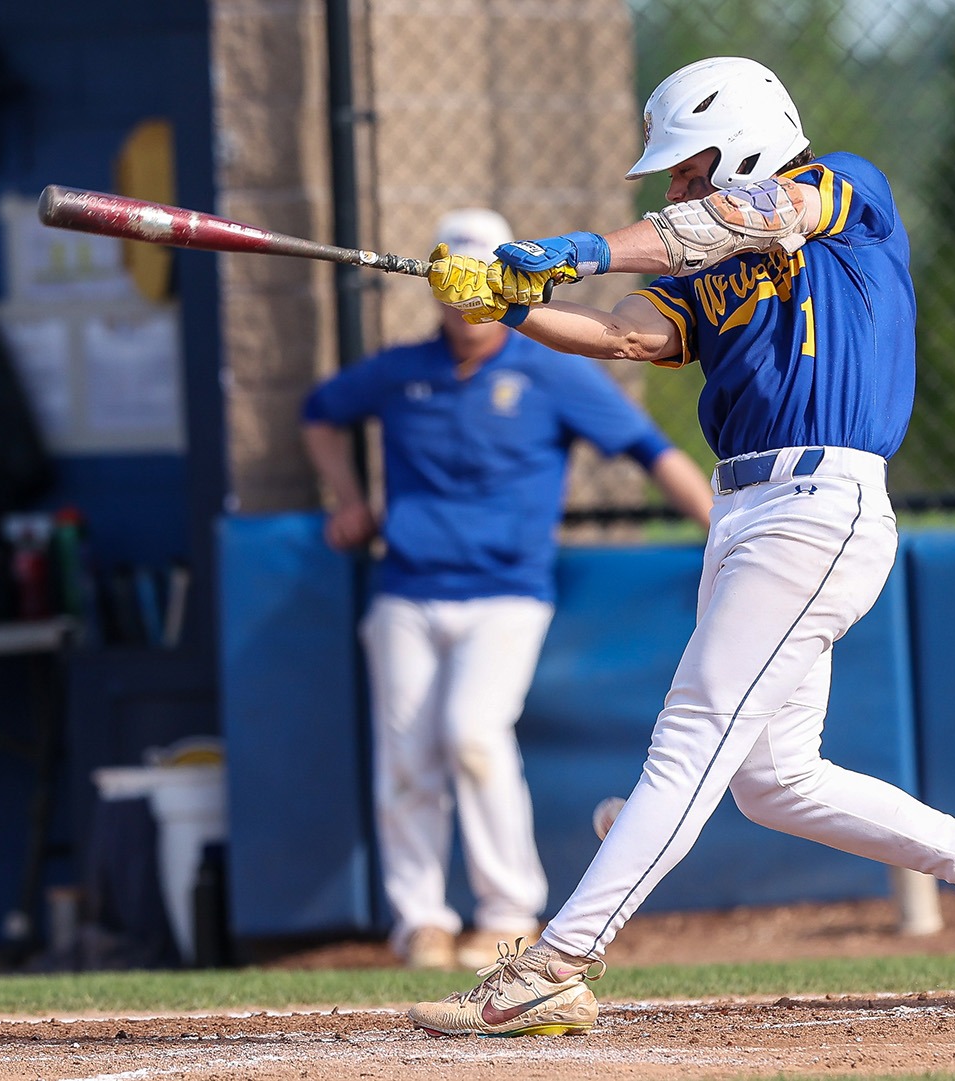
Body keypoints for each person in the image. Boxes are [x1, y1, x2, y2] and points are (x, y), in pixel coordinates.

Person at [409, 56, 955, 1037]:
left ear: (741, 137)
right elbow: (625, 336)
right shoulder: (702, 265)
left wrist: (577, 245)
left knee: (693, 733)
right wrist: (507, 304)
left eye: (687, 167)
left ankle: (556, 963)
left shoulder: (847, 192)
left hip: (820, 502)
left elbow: (749, 212)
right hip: (746, 515)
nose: (679, 189)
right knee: (775, 779)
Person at [302, 208, 714, 973]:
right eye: (454, 282)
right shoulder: (401, 369)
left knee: (471, 731)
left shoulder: (550, 368)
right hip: (408, 589)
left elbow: (650, 450)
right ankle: (420, 921)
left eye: (478, 283)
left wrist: (720, 533)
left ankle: (506, 915)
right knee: (406, 757)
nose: (464, 306)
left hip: (505, 593)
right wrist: (346, 497)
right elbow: (321, 413)